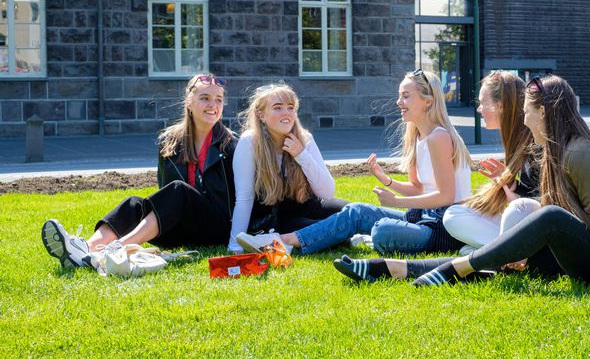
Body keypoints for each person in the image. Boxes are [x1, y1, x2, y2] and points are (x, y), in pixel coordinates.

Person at [335, 75, 590, 294]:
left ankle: (456, 267)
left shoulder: (583, 154)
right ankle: (384, 268)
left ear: (545, 113)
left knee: (548, 216)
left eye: (528, 111)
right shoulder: (554, 149)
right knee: (512, 236)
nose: (523, 119)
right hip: (575, 250)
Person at [237, 69, 472, 255]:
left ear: (428, 102)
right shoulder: (418, 136)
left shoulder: (438, 136)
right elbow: (421, 188)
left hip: (443, 227)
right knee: (356, 211)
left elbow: (446, 196)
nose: (398, 101)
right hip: (424, 217)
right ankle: (285, 240)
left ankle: (283, 240)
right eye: (399, 95)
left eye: (406, 96)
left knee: (382, 231)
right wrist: (388, 181)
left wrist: (397, 202)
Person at [41, 74, 238, 269]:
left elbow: (245, 198)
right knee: (134, 204)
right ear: (188, 102)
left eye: (218, 100)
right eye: (205, 98)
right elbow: (165, 193)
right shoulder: (169, 142)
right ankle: (84, 249)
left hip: (218, 230)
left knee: (179, 190)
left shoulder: (231, 145)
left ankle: (116, 249)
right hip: (182, 229)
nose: (213, 105)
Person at [227, 83, 348, 252]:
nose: (286, 113)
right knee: (327, 231)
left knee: (351, 212)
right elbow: (244, 198)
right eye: (277, 108)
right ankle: (268, 239)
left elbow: (326, 193)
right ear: (261, 115)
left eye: (290, 107)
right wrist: (235, 246)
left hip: (303, 203)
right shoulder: (250, 142)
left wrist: (301, 154)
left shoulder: (304, 138)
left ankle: (360, 232)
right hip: (272, 215)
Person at [442, 71, 540, 253]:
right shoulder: (519, 139)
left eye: (482, 102)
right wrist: (511, 185)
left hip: (537, 228)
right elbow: (531, 190)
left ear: (500, 106)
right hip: (525, 219)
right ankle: (496, 250)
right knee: (456, 214)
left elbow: (547, 203)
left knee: (453, 217)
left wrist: (515, 198)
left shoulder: (535, 142)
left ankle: (504, 252)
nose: (479, 108)